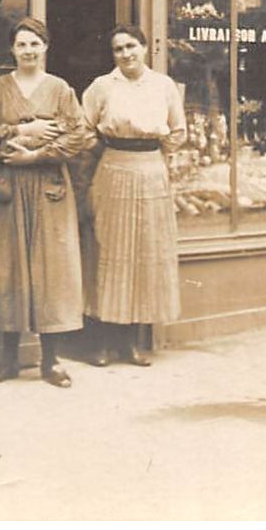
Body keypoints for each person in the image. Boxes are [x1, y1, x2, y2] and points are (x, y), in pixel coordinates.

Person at [0, 16, 91, 388]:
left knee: (50, 269)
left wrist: (36, 155)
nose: (28, 51)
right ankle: (6, 360)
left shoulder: (60, 90)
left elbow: (79, 137)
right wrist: (21, 130)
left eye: (35, 44)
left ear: (45, 48)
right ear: (12, 49)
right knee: (7, 267)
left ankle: (50, 361)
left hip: (49, 187)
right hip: (7, 187)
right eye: (21, 44)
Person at [81, 23, 185, 366]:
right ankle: (100, 342)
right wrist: (108, 151)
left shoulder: (163, 85)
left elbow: (178, 131)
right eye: (118, 49)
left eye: (131, 47)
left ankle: (131, 343)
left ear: (144, 48)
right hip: (113, 167)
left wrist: (156, 152)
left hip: (151, 171)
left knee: (144, 252)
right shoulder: (102, 86)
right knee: (109, 251)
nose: (125, 54)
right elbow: (83, 129)